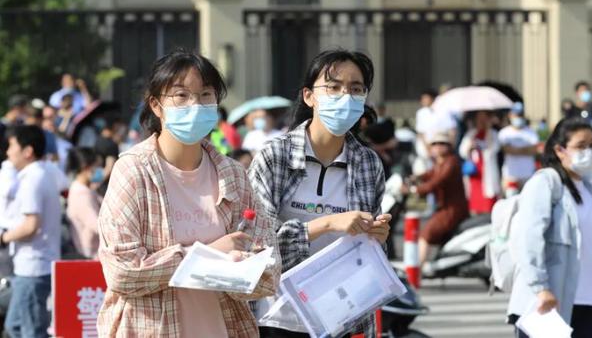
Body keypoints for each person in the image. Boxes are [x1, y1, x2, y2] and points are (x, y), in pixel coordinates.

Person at [97, 50, 280, 337]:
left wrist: (248, 264)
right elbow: (122, 272)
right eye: (181, 96)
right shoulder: (133, 171)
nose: (195, 104)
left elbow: (269, 272)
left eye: (206, 94)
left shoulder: (232, 173)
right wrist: (207, 256)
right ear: (156, 105)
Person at [249, 49, 392, 338]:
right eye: (333, 86)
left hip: (341, 317)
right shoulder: (275, 157)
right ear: (309, 96)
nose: (345, 96)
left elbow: (365, 253)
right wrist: (326, 224)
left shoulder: (367, 163)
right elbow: (256, 246)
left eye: (356, 89)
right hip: (279, 319)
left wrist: (376, 238)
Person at [507, 117, 592, 338]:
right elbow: (529, 239)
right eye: (580, 146)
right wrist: (541, 288)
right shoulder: (546, 183)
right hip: (552, 303)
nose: (588, 152)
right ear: (560, 150)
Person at [1, 125, 62, 337]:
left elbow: (30, 225)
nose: (8, 152)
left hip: (33, 266)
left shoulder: (32, 179)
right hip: (33, 265)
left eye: (12, 146)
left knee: (30, 330)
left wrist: (3, 238)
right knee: (16, 326)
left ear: (27, 151)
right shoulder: (41, 174)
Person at [405, 131, 469, 267]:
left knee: (426, 234)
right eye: (435, 144)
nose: (438, 146)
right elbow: (430, 174)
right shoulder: (440, 162)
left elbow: (437, 182)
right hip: (445, 208)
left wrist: (414, 190)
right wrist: (416, 178)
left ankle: (416, 270)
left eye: (442, 143)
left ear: (449, 146)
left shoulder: (451, 162)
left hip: (452, 209)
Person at [459, 111, 501, 214]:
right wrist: (470, 147)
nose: (481, 121)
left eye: (484, 118)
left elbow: (494, 149)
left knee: (489, 196)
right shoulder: (471, 134)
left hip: (487, 171)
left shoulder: (493, 134)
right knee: (475, 198)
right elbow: (462, 151)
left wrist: (488, 133)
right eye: (479, 118)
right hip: (474, 172)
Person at [65, 147, 103, 259]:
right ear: (86, 168)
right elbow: (98, 226)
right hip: (91, 256)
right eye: (96, 166)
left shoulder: (86, 189)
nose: (100, 170)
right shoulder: (81, 194)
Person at [498, 102, 539, 197]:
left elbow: (534, 150)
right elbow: (507, 150)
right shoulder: (504, 133)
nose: (518, 117)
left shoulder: (531, 132)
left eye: (520, 114)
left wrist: (515, 150)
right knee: (511, 204)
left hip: (528, 175)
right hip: (511, 176)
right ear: (510, 115)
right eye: (516, 114)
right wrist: (525, 150)